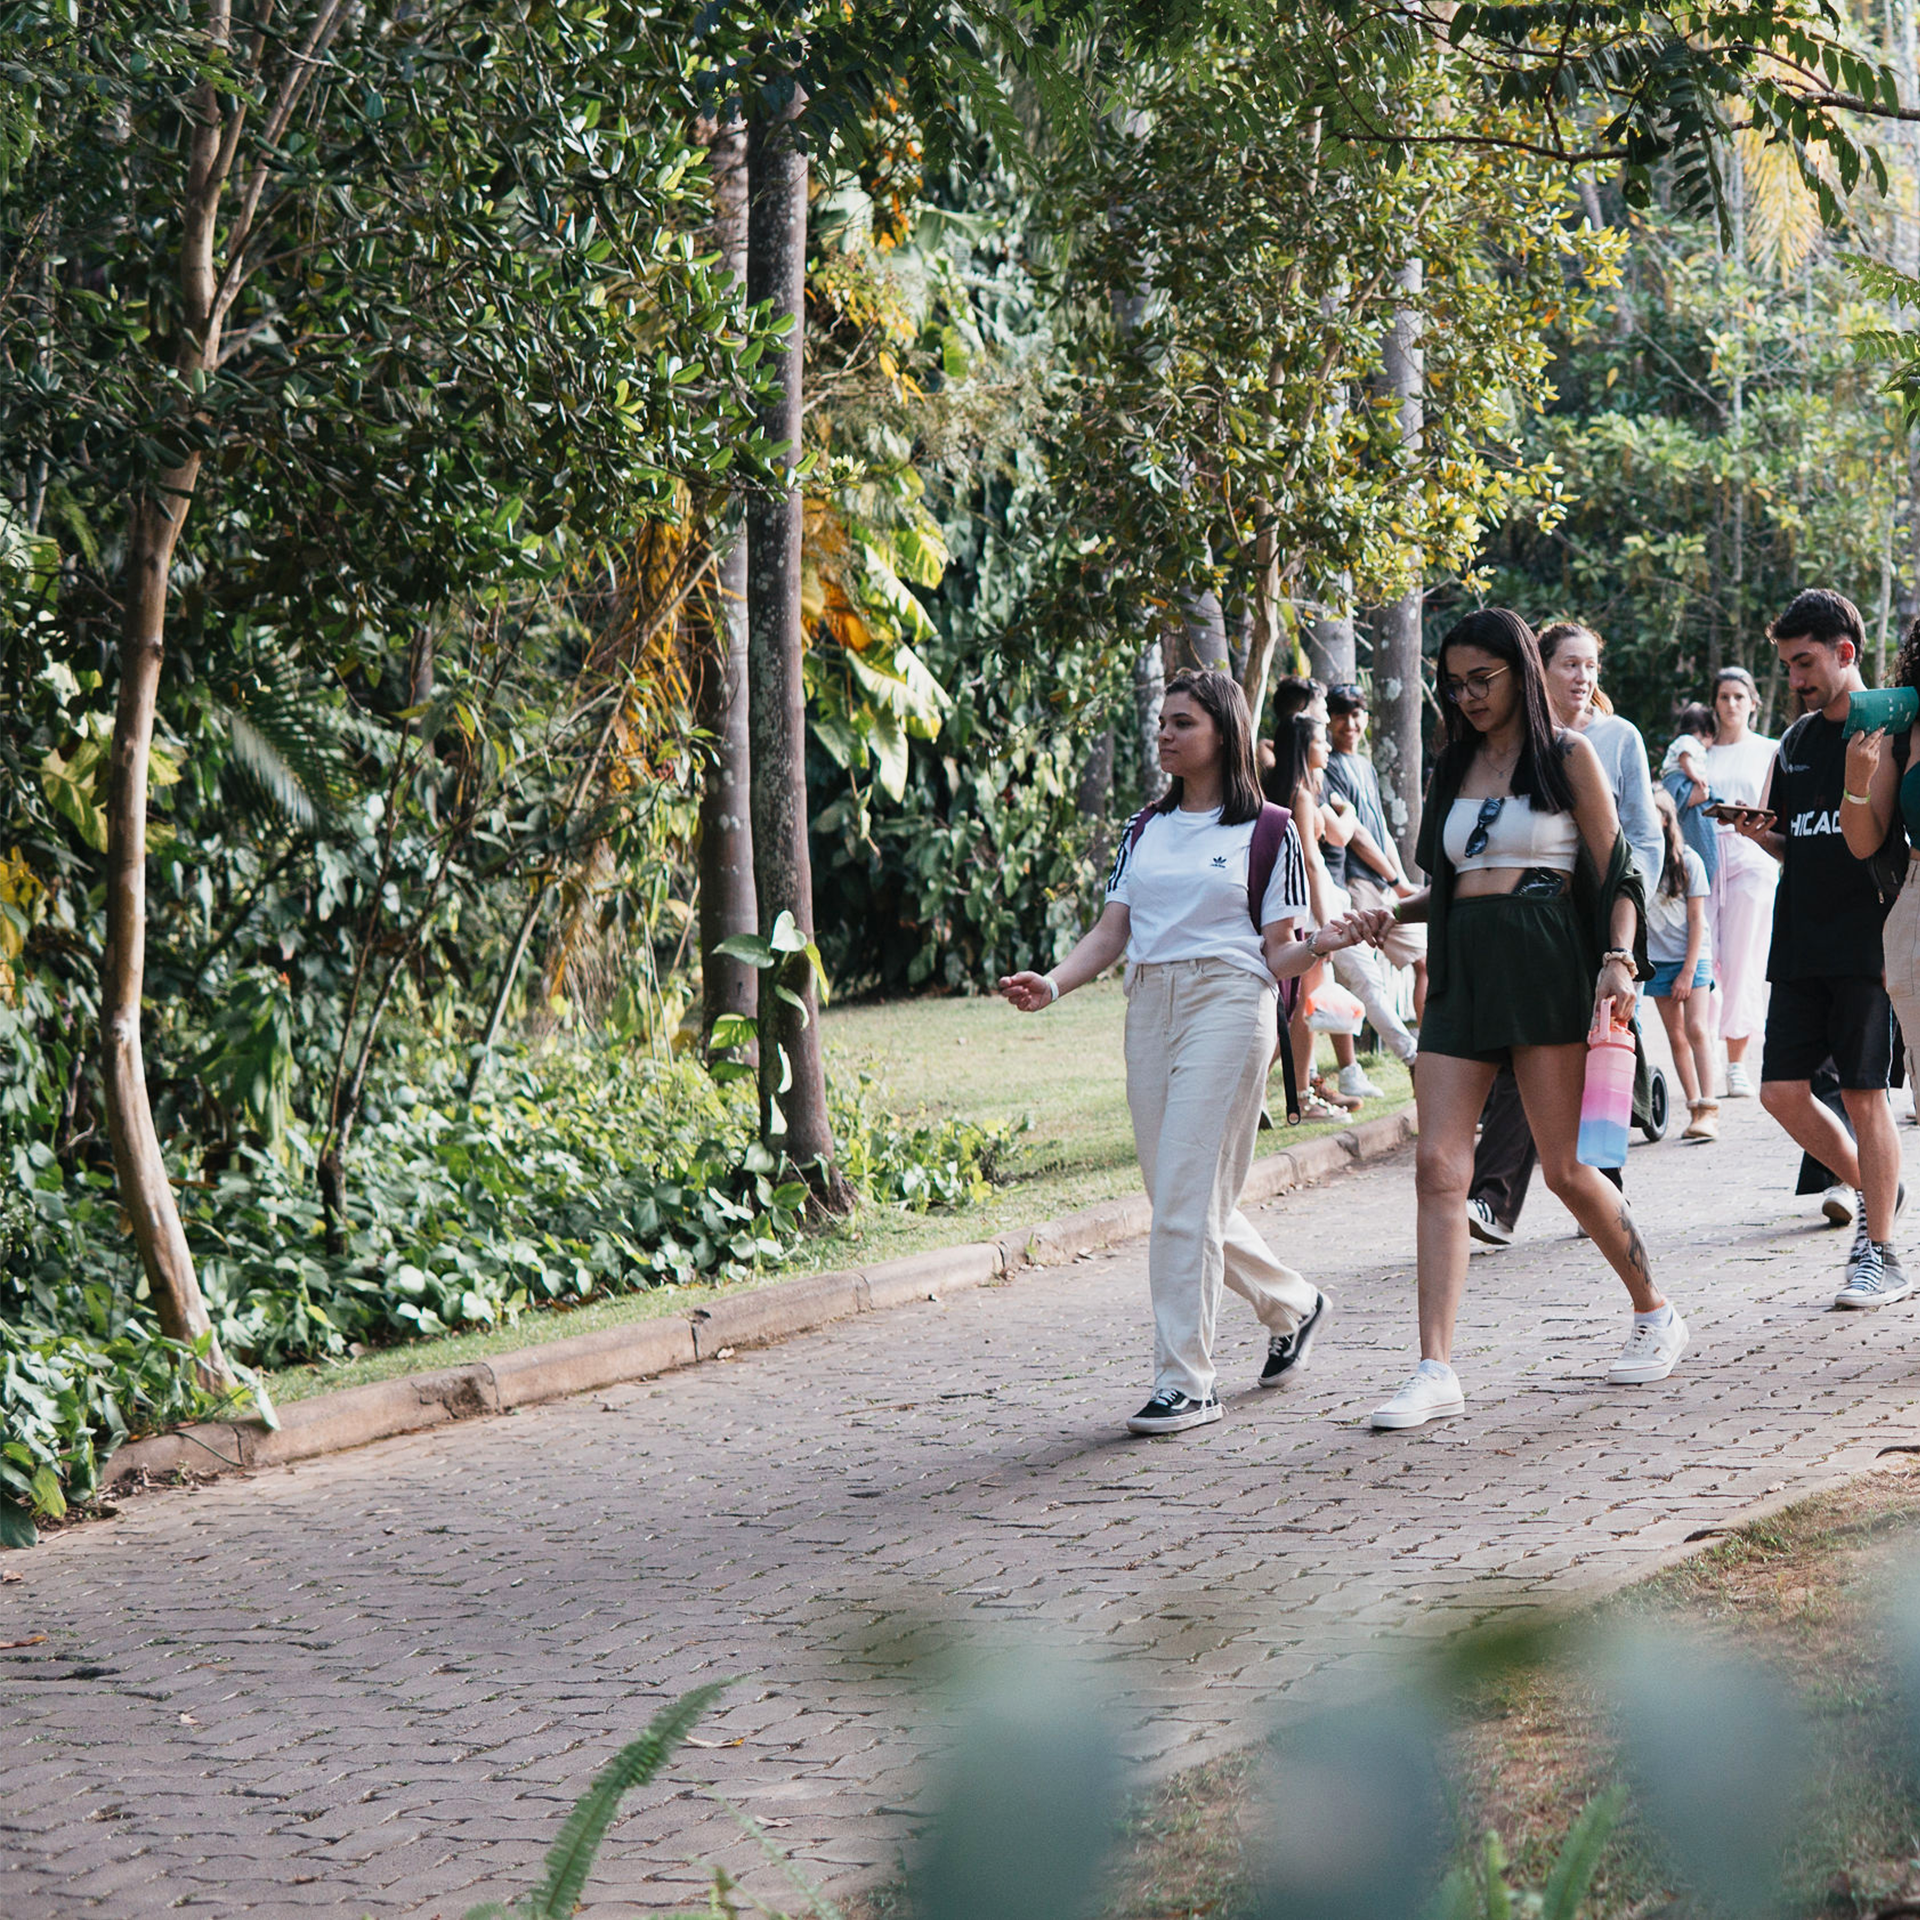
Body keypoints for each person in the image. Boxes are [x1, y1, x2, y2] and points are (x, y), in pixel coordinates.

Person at [997, 669, 1378, 1435]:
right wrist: (1056, 982)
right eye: (1163, 722)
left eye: (1182, 723)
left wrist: (1322, 944)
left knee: (1182, 1199)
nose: (1165, 734)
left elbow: (1278, 952)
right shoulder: (1145, 827)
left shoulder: (1270, 830)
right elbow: (1113, 929)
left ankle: (1187, 1381)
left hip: (1230, 1003)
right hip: (1150, 1006)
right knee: (1181, 1196)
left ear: (1223, 734)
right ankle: (1295, 1304)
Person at [1359, 609, 1687, 1431]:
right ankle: (1435, 1368)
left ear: (1520, 674)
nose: (1468, 696)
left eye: (1483, 679)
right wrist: (1390, 912)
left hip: (1546, 963)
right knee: (1438, 1166)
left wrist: (1619, 959)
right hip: (1464, 970)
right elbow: (1456, 879)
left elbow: (1619, 871)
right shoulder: (1452, 764)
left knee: (1569, 1169)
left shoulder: (1567, 756)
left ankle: (1654, 1309)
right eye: (1454, 684)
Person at [1730, 589, 1908, 1305]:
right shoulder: (1796, 741)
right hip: (1799, 943)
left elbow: (1880, 838)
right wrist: (1761, 835)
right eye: (1786, 665)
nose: (1794, 679)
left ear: (1845, 652)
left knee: (1866, 1096)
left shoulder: (1890, 727)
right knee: (1779, 1093)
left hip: (1867, 943)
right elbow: (1796, 842)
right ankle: (1876, 1189)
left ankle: (1882, 1251)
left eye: (1804, 663)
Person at [1465, 620, 1661, 1247]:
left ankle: (1603, 1193)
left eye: (1591, 666)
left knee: (1601, 1050)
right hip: (1537, 920)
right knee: (1529, 1050)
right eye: (1570, 665)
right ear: (1538, 670)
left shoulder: (1617, 738)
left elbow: (1642, 835)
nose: (1583, 677)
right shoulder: (1509, 743)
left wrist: (1626, 918)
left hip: (1605, 919)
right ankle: (1494, 1199)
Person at [1265, 713, 1357, 1122]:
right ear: (1304, 747)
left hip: (1286, 907)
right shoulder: (1301, 796)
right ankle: (1300, 1096)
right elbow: (1311, 862)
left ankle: (1265, 1092)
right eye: (1321, 741)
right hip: (1304, 911)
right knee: (1302, 1009)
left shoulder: (1285, 789)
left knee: (1295, 1009)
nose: (1328, 747)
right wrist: (1326, 923)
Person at [1322, 683, 1429, 1028]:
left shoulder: (1365, 766)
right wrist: (1396, 882)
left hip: (1383, 882)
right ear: (1329, 720)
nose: (1349, 724)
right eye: (1341, 716)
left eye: (1356, 715)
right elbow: (1356, 836)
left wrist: (1401, 882)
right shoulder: (1328, 766)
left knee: (1425, 959)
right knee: (1358, 977)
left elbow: (1380, 830)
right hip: (1355, 881)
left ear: (1366, 717)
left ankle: (1428, 1047)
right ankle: (1348, 1055)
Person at [1703, 664, 1779, 1098]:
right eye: (1724, 696)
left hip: (1751, 858)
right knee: (1703, 961)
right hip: (1705, 861)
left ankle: (1736, 1062)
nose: (1731, 704)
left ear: (1753, 702)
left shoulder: (1770, 749)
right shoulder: (1700, 753)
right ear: (1714, 703)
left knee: (1741, 961)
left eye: (1739, 696)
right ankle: (1707, 1054)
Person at [1647, 788, 1718, 1141]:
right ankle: (1694, 1107)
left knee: (1696, 1029)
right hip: (1658, 961)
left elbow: (1696, 920)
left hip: (1692, 955)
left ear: (1664, 819)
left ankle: (1710, 1106)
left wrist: (1688, 971)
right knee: (1675, 1036)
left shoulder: (1690, 861)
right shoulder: (1640, 860)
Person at [1658, 700, 1721, 892]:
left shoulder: (1688, 742)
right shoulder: (1688, 741)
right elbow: (1685, 758)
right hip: (1679, 781)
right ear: (1708, 733)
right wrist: (1696, 777)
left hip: (1686, 782)